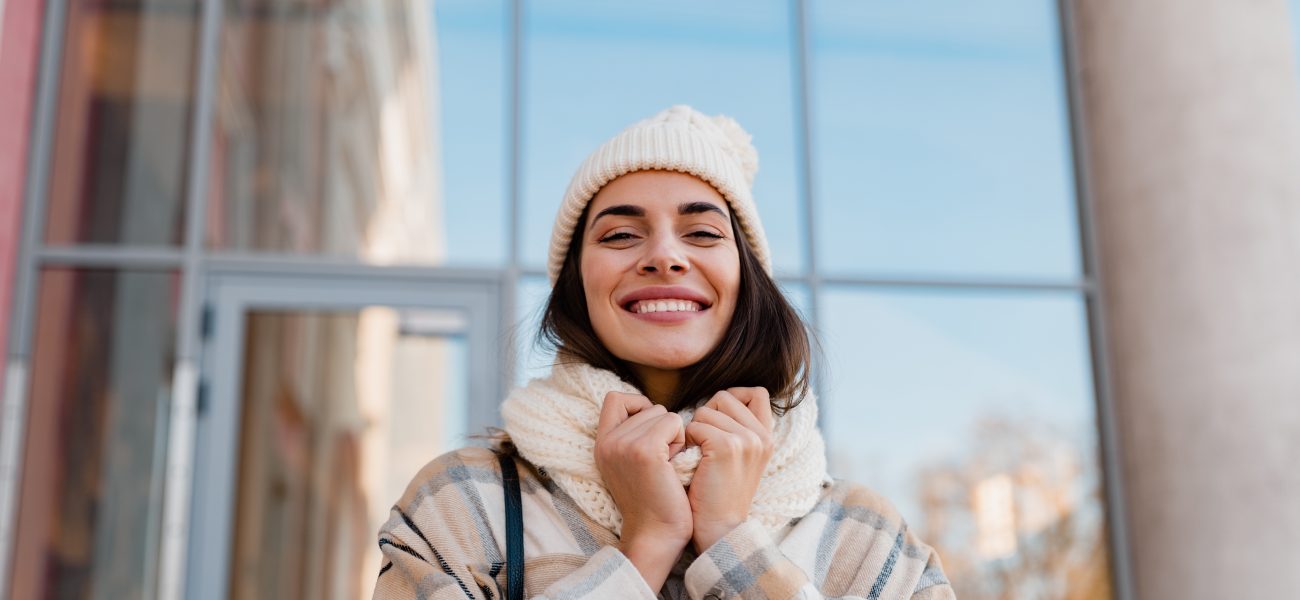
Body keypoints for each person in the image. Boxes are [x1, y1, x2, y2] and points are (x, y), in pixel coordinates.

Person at [372, 105, 955, 599]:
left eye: (702, 233)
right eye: (621, 235)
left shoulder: (866, 539)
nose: (664, 256)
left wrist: (729, 538)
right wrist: (646, 544)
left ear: (747, 280)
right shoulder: (464, 502)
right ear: (576, 283)